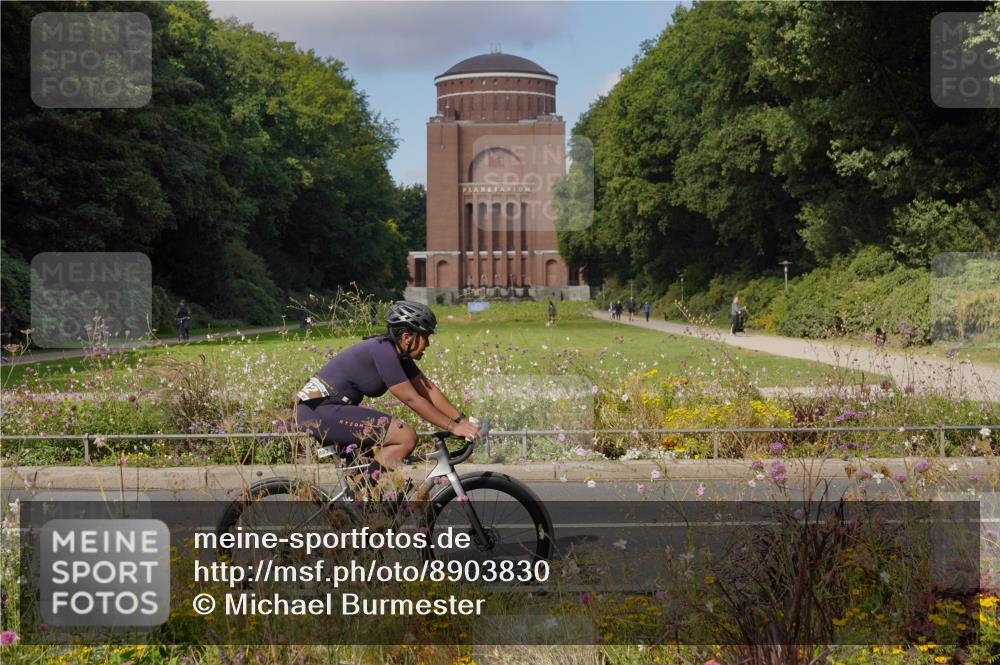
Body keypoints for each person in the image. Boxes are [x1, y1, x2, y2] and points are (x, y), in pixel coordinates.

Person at [295, 300, 481, 478]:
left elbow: (428, 389)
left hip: (328, 410)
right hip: (320, 412)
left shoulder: (398, 354)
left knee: (372, 487)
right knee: (405, 437)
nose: (428, 344)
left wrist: (461, 421)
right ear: (407, 337)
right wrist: (453, 427)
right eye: (425, 337)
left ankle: (364, 494)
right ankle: (367, 489)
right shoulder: (383, 352)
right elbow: (412, 399)